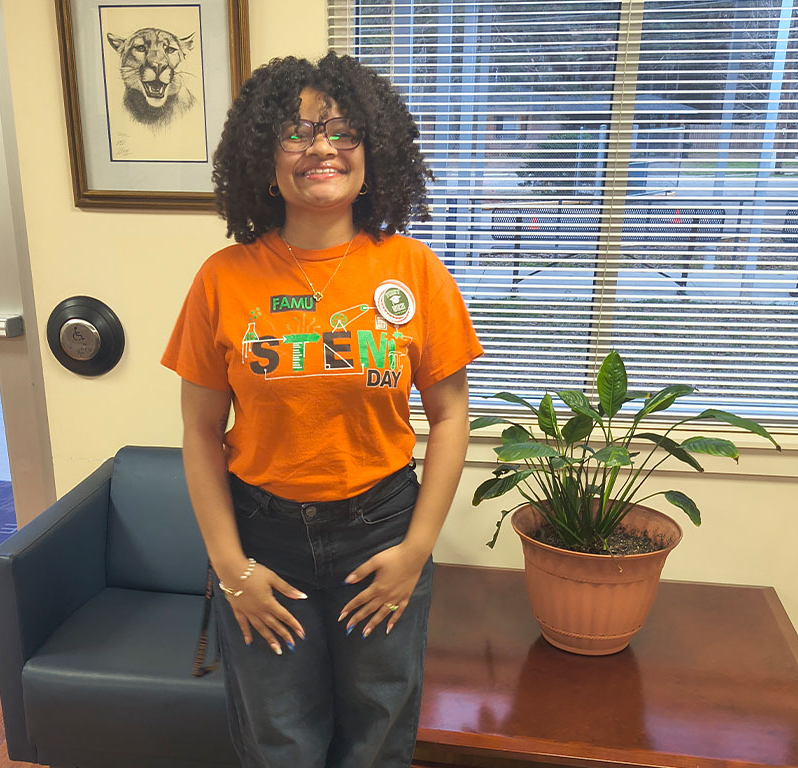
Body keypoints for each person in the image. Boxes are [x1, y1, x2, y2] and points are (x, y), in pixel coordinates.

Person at [162, 51, 483, 768]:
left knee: (378, 733)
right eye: (296, 132)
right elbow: (199, 430)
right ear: (262, 158)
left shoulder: (413, 270)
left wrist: (416, 553)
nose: (321, 148)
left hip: (382, 531)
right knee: (280, 742)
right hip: (263, 537)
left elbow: (453, 417)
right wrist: (230, 568)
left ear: (373, 150)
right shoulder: (224, 279)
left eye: (341, 130)